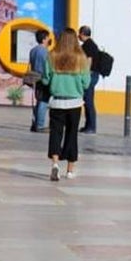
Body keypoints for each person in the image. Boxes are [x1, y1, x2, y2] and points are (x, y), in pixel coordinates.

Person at [42, 29, 91, 181]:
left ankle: (55, 164)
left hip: (57, 102)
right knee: (72, 134)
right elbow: (86, 83)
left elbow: (45, 80)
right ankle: (70, 170)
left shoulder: (52, 56)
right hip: (74, 102)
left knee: (55, 133)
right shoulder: (81, 58)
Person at [77, 25, 100, 134]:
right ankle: (88, 126)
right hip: (92, 75)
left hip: (90, 75)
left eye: (79, 34)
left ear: (82, 34)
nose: (78, 36)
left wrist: (86, 74)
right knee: (87, 100)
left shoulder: (88, 45)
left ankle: (91, 126)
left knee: (89, 101)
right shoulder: (90, 44)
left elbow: (89, 60)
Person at [28, 29, 51, 133]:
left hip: (35, 78)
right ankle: (40, 125)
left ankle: (36, 123)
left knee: (38, 100)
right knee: (43, 101)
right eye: (48, 37)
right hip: (43, 78)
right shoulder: (45, 52)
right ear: (44, 39)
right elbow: (47, 67)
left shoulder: (33, 50)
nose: (49, 39)